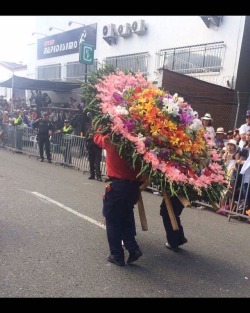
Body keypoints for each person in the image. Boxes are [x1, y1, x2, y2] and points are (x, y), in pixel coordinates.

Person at [94, 130, 143, 266]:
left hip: (119, 187)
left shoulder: (113, 140)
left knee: (113, 221)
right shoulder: (138, 143)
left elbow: (97, 138)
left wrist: (98, 128)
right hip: (133, 188)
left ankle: (117, 255)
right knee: (125, 218)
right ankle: (133, 249)